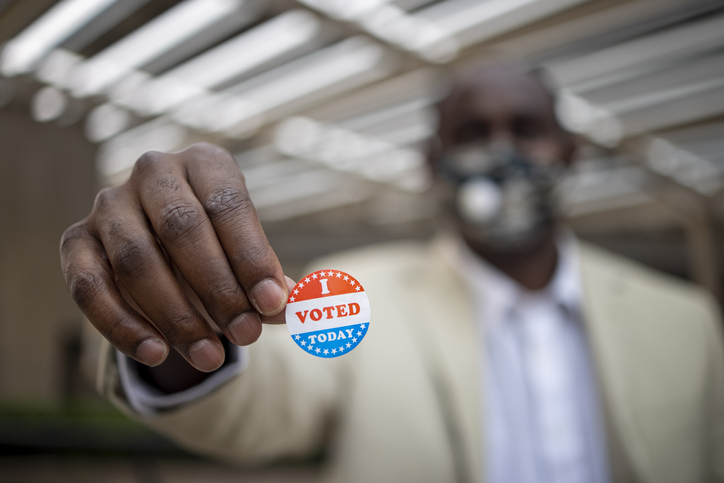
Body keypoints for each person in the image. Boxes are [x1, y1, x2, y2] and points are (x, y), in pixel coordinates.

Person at [60, 63, 724, 483]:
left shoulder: (685, 320)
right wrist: (174, 315)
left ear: (570, 153)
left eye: (526, 128)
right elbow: (264, 405)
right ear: (431, 161)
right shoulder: (353, 294)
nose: (501, 152)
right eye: (472, 133)